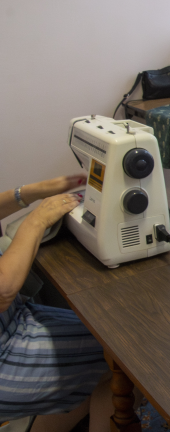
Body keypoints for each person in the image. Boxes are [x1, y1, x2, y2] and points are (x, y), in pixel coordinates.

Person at [0, 175, 113, 431]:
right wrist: (37, 220)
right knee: (125, 356)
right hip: (5, 355)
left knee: (107, 344)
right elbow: (3, 292)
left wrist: (31, 192)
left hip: (13, 322)